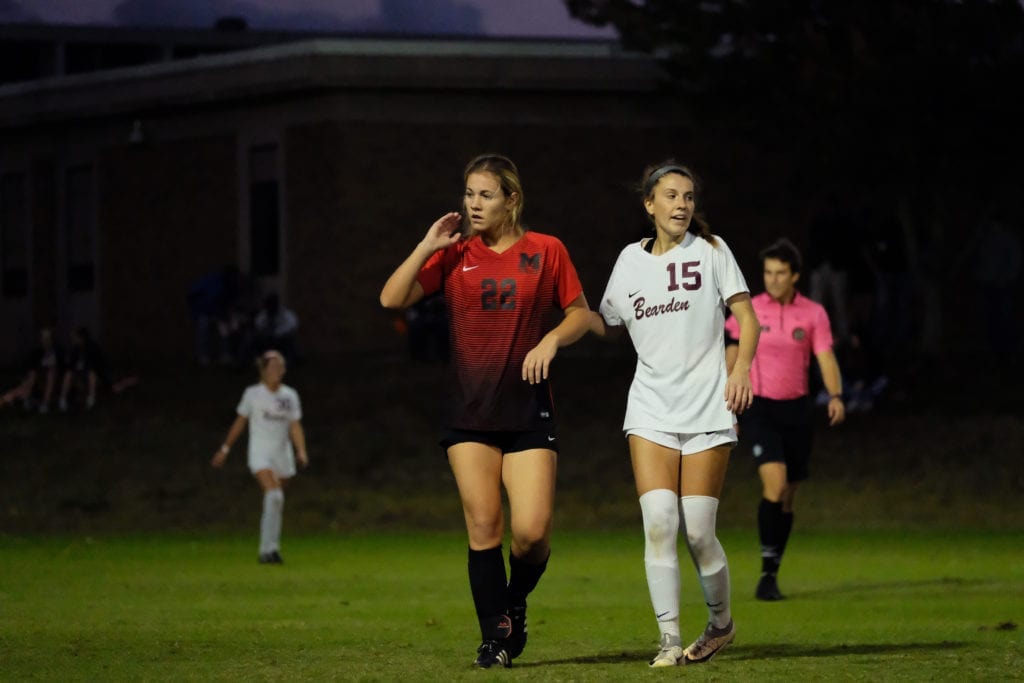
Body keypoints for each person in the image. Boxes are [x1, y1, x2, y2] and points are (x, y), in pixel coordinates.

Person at [379, 153, 592, 669]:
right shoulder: (455, 254)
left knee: (533, 533)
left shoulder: (547, 250)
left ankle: (513, 601)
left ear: (511, 199)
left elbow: (582, 313)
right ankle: (494, 638)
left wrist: (552, 341)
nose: (474, 204)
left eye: (486, 195)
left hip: (526, 409)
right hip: (468, 412)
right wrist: (428, 246)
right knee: (484, 527)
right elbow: (391, 299)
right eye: (469, 194)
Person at [589, 161, 759, 667]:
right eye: (670, 196)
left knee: (699, 531)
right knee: (660, 522)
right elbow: (608, 324)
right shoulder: (628, 261)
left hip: (708, 406)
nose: (681, 204)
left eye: (688, 196)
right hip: (650, 408)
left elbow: (747, 319)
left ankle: (721, 625)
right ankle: (668, 640)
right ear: (650, 205)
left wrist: (741, 370)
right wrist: (570, 321)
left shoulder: (712, 250)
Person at [724, 237, 845, 601]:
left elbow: (825, 357)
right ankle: (765, 573)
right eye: (768, 273)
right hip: (759, 408)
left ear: (794, 276)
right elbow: (731, 355)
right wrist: (726, 402)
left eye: (780, 273)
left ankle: (773, 570)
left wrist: (835, 395)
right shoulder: (749, 311)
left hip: (798, 411)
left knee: (788, 497)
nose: (773, 279)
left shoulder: (812, 314)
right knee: (774, 486)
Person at [210, 349, 308, 564]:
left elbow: (294, 426)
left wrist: (301, 450)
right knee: (274, 496)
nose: (276, 371)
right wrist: (225, 448)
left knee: (275, 502)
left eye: (279, 367)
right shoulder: (253, 394)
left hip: (282, 454)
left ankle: (270, 548)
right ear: (263, 371)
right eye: (271, 367)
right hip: (260, 453)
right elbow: (240, 421)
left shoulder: (289, 395)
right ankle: (267, 551)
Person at [57, 327, 140, 412]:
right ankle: (62, 400)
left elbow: (97, 366)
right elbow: (70, 365)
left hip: (94, 376)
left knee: (112, 386)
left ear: (80, 337)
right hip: (79, 375)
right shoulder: (75, 349)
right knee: (68, 374)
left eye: (74, 337)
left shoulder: (92, 347)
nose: (72, 339)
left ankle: (91, 400)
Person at [1, 327, 63, 413]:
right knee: (31, 377)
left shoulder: (57, 351)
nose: (46, 341)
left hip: (53, 378)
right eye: (44, 338)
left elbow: (62, 366)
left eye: (48, 338)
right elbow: (31, 366)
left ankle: (45, 403)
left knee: (50, 373)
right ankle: (6, 398)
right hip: (37, 378)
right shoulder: (37, 352)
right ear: (41, 340)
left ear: (52, 339)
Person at [253, 292, 299, 363]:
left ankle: (288, 361)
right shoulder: (264, 315)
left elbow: (292, 324)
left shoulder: (285, 314)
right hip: (266, 339)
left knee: (289, 340)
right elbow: (258, 324)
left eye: (272, 303)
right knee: (252, 338)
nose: (271, 306)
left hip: (281, 339)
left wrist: (276, 333)